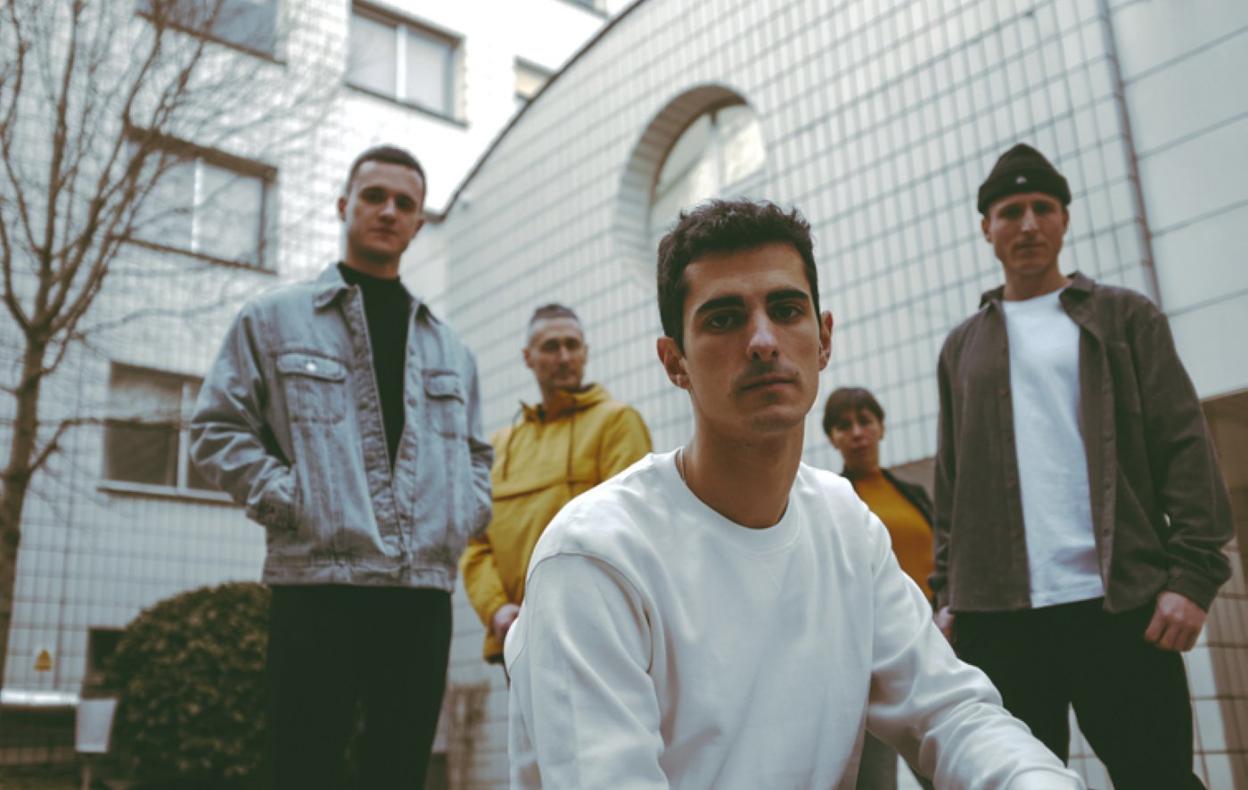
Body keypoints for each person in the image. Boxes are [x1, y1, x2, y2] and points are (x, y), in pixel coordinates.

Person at [505, 198, 1084, 789]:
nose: (762, 341)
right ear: (674, 361)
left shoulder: (846, 526)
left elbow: (949, 711)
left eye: (785, 310)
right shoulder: (593, 559)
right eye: (723, 319)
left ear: (824, 339)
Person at [190, 145, 492, 789]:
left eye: (404, 203)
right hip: (318, 586)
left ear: (419, 223)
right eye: (374, 196)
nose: (388, 211)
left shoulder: (450, 348)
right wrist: (291, 500)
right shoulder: (273, 319)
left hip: (420, 595)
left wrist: (463, 512)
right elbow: (215, 429)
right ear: (343, 205)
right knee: (302, 770)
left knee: (398, 773)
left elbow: (475, 454)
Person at [932, 143, 1233, 789]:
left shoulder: (1126, 317)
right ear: (986, 228)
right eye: (1010, 211)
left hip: (1120, 606)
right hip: (998, 618)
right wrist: (947, 596)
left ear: (1065, 219)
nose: (1028, 224)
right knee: (1011, 784)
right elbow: (953, 484)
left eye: (1043, 207)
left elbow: (1184, 446)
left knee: (1158, 779)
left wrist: (1193, 576)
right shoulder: (963, 346)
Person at [460, 303, 651, 664]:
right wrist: (497, 609)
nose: (564, 357)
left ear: (585, 352)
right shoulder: (500, 447)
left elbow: (631, 528)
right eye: (551, 347)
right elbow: (475, 544)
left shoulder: (616, 423)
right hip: (516, 639)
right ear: (527, 357)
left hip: (594, 635)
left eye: (572, 345)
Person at [824, 387, 935, 790]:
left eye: (865, 421)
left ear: (882, 428)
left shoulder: (913, 494)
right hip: (869, 661)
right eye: (844, 425)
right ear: (832, 438)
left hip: (929, 647)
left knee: (944, 768)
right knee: (874, 779)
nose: (857, 433)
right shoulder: (832, 501)